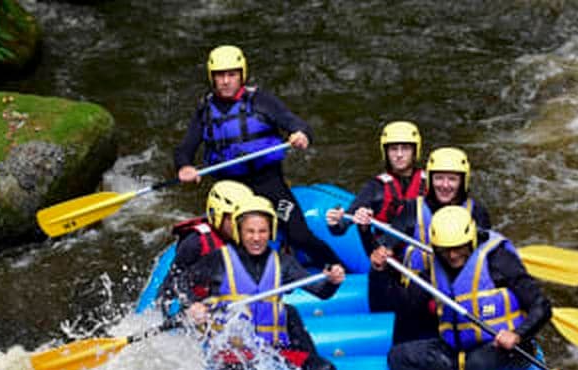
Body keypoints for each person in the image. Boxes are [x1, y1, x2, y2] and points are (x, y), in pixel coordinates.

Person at [174, 44, 342, 268]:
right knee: (236, 245)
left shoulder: (261, 101)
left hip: (267, 182)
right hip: (230, 191)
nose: (225, 81)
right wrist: (184, 166)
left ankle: (337, 268)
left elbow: (296, 124)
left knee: (299, 235)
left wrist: (300, 135)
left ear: (241, 75)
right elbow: (185, 148)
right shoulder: (205, 110)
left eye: (231, 75)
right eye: (220, 76)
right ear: (211, 78)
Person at [369, 206, 551, 370]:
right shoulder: (435, 267)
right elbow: (401, 305)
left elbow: (541, 305)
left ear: (471, 239)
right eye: (445, 249)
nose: (452, 255)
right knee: (400, 356)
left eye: (458, 248)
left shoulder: (499, 261)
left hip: (506, 352)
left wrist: (517, 335)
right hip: (457, 353)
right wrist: (380, 272)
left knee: (479, 362)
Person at [183, 195, 346, 370]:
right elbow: (181, 283)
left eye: (262, 231)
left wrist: (333, 281)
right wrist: (193, 304)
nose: (256, 238)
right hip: (233, 354)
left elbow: (322, 293)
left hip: (271, 351)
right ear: (239, 231)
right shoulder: (219, 259)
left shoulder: (283, 263)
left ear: (271, 232)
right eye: (250, 231)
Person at [325, 121, 426, 254]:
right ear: (386, 152)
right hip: (388, 259)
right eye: (394, 149)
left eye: (405, 148)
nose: (399, 154)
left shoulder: (431, 182)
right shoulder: (376, 187)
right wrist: (334, 223)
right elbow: (342, 226)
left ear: (414, 151)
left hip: (425, 255)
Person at [391, 146, 492, 272]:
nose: (444, 185)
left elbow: (487, 255)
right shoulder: (412, 209)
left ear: (462, 182)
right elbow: (387, 245)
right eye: (439, 178)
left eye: (452, 179)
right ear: (430, 180)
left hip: (462, 285)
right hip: (419, 285)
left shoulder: (477, 212)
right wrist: (365, 230)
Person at [159, 180, 254, 312]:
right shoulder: (195, 243)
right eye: (236, 219)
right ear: (218, 215)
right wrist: (192, 304)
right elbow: (174, 282)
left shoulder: (247, 237)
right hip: (196, 305)